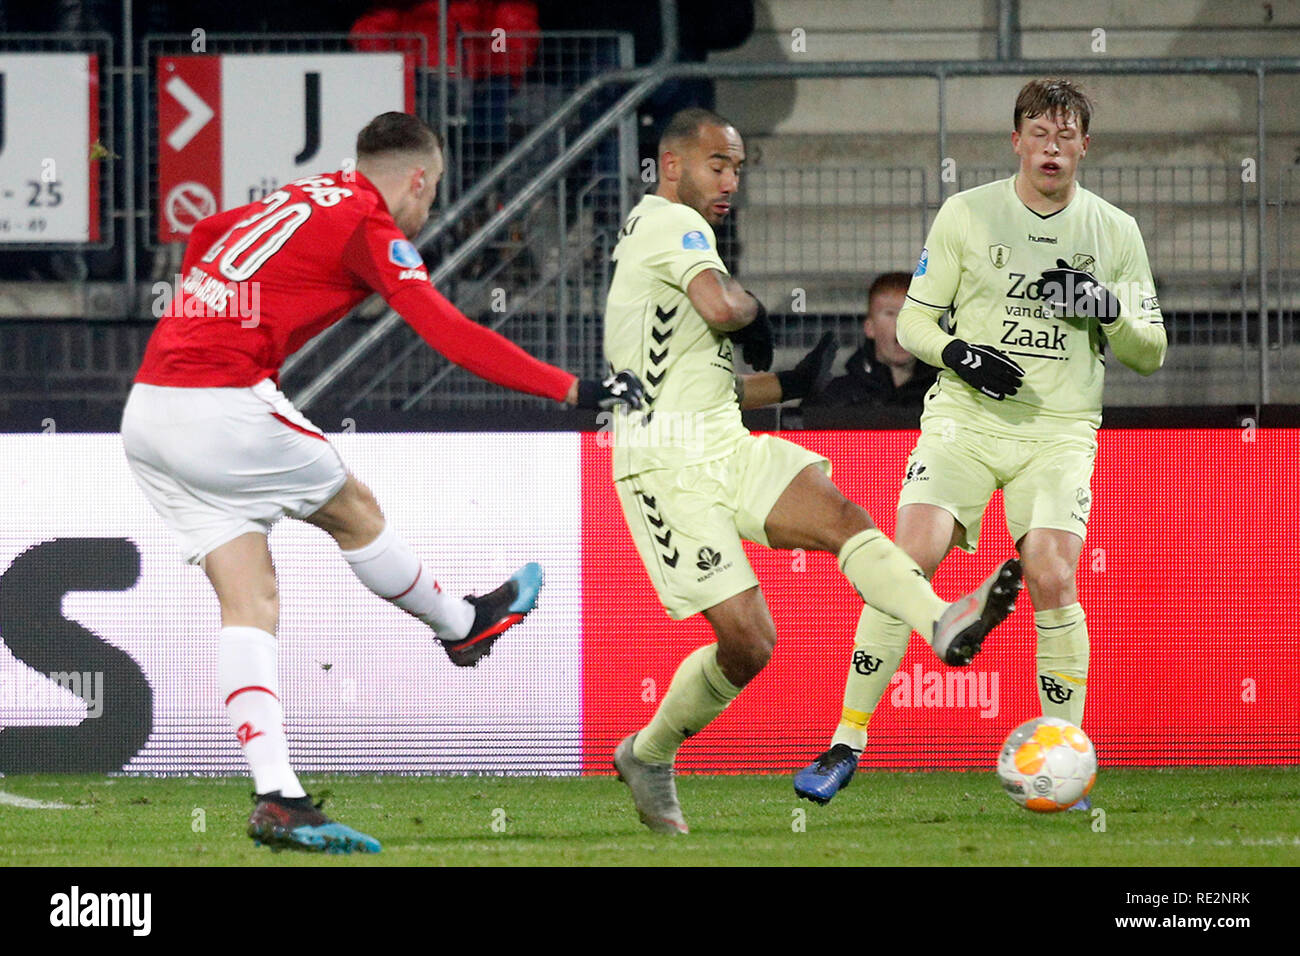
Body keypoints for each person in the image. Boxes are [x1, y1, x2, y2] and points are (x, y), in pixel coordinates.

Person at [120, 112, 643, 854]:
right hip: (223, 406)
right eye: (432, 197)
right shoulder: (368, 223)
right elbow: (450, 334)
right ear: (419, 179)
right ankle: (461, 627)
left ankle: (279, 799)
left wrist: (217, 312)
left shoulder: (304, 195)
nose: (427, 214)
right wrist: (574, 390)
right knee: (355, 510)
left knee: (250, 601)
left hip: (149, 411)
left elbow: (206, 236)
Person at [601, 107, 1023, 834]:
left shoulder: (665, 241)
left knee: (841, 516)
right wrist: (753, 308)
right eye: (716, 165)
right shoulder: (672, 227)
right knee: (749, 644)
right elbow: (722, 305)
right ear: (672, 167)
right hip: (663, 467)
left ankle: (942, 620)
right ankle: (649, 752)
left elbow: (698, 378)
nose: (730, 180)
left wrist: (787, 387)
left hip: (720, 441)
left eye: (737, 167)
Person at [793, 79, 1166, 809]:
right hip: (965, 420)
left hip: (1058, 432)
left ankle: (1063, 756)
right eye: (1038, 132)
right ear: (1016, 140)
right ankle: (846, 742)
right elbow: (914, 326)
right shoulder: (966, 214)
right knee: (908, 558)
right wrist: (962, 355)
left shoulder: (1115, 231)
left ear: (1085, 146)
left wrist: (1109, 309)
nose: (1051, 147)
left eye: (1066, 136)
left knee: (1054, 573)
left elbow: (1150, 351)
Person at [803, 272, 938, 410]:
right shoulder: (833, 399)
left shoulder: (946, 396)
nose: (903, 324)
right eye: (891, 313)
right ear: (870, 328)